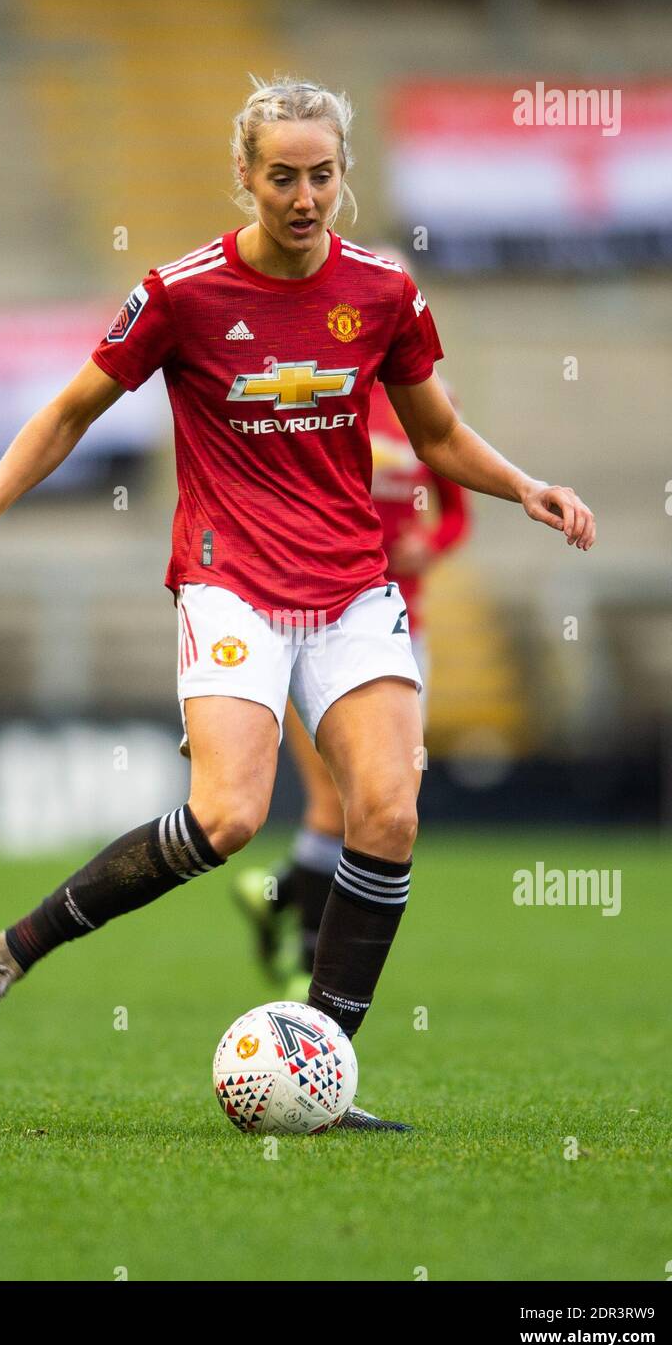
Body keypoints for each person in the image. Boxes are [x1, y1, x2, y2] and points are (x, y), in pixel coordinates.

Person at [0, 76, 595, 1132]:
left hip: (352, 585)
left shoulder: (381, 292)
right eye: (283, 175)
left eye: (322, 174)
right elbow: (67, 413)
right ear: (245, 176)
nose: (305, 194)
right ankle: (5, 953)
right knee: (229, 817)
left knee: (389, 811)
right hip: (231, 579)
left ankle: (318, 1074)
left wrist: (527, 485)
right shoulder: (182, 294)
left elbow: (437, 435)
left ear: (341, 174)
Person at [233, 349, 471, 999]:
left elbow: (455, 509)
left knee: (383, 807)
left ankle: (282, 896)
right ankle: (309, 969)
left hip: (403, 628)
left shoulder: (429, 402)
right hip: (318, 625)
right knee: (336, 801)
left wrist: (434, 544)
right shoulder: (320, 399)